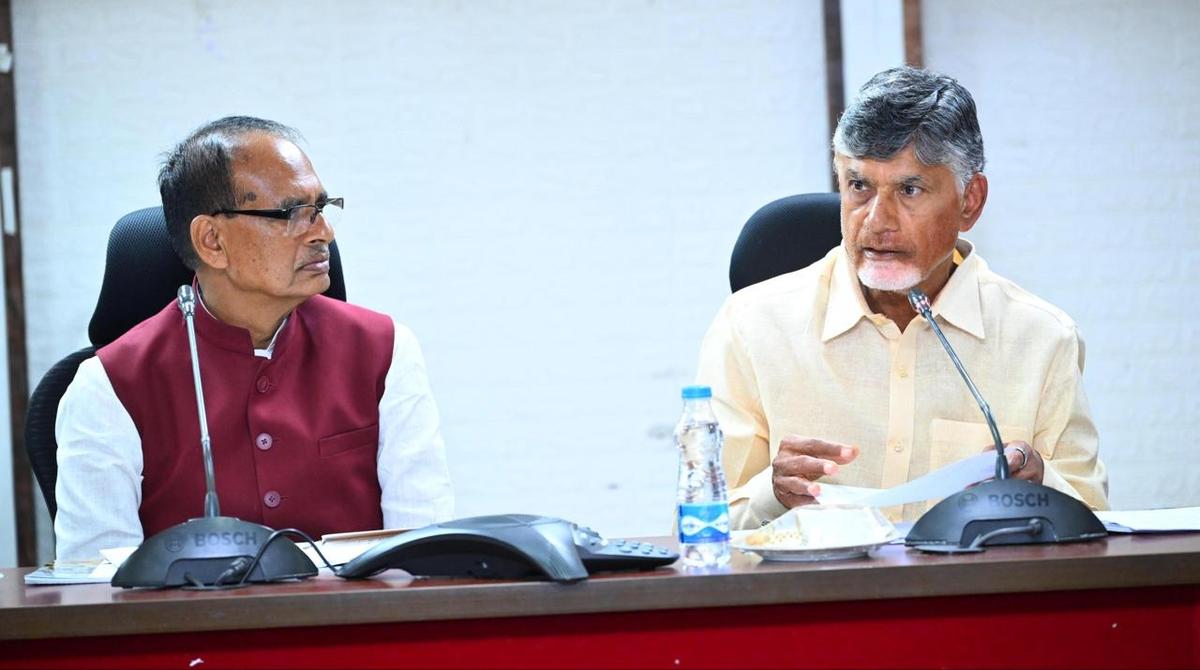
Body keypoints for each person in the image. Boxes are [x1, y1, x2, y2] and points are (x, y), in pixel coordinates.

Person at [696, 67, 1108, 529]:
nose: (876, 220)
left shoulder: (1042, 338)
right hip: (805, 598)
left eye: (909, 190)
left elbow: (1098, 532)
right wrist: (770, 494)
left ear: (969, 201)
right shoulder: (751, 326)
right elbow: (697, 530)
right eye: (859, 186)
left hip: (969, 599)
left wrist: (1041, 483)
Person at [54, 116, 453, 560]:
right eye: (292, 213)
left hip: (351, 625)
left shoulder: (385, 352)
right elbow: (94, 587)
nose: (324, 233)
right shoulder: (109, 387)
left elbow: (424, 557)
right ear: (212, 241)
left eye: (320, 208)